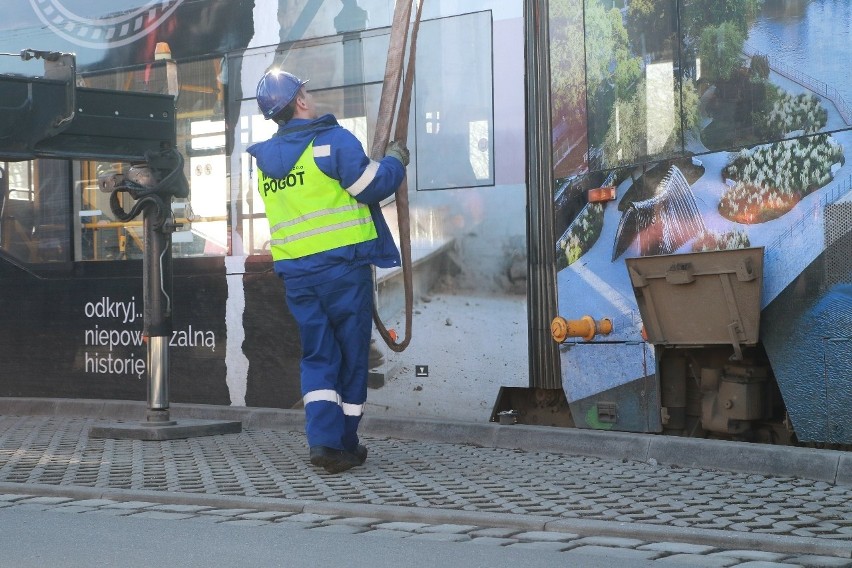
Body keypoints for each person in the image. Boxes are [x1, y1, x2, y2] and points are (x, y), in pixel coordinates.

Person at [247, 70, 409, 474]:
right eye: (307, 90)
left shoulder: (265, 163)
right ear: (299, 102)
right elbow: (374, 186)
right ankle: (344, 444)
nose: (311, 95)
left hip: (298, 276)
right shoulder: (331, 142)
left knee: (319, 355)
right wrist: (396, 160)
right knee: (352, 357)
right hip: (342, 270)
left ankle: (322, 441)